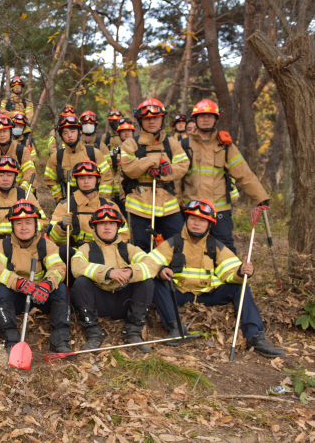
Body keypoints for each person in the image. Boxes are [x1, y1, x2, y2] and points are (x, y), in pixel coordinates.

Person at [147, 199, 285, 358]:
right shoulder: (173, 243)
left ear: (209, 224)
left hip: (208, 294)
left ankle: (255, 338)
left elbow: (231, 270)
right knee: (156, 281)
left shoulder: (216, 245)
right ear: (186, 220)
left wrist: (242, 271)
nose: (196, 223)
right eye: (192, 219)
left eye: (202, 220)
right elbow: (149, 262)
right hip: (179, 293)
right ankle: (175, 328)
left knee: (240, 287)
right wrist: (160, 270)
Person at [181, 99, 269, 252]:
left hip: (219, 210)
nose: (206, 119)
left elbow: (243, 173)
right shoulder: (184, 145)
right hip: (192, 209)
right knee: (189, 249)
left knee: (224, 248)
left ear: (216, 119)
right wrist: (177, 205)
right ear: (195, 119)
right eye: (202, 116)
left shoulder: (225, 146)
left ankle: (230, 276)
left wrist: (260, 197)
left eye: (210, 115)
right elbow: (176, 179)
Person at [71, 204, 155, 352]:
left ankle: (133, 332)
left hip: (124, 302)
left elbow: (151, 264)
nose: (107, 227)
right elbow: (76, 266)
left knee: (147, 282)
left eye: (111, 223)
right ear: (94, 227)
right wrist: (108, 272)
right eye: (102, 223)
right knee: (80, 282)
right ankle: (93, 334)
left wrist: (130, 270)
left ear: (118, 227)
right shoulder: (87, 248)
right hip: (99, 303)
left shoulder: (129, 248)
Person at [0, 201, 71, 354]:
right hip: (17, 297)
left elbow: (58, 268)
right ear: (12, 225)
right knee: (2, 291)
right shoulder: (2, 246)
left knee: (60, 289)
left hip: (41, 295)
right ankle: (11, 340)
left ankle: (60, 340)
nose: (24, 227)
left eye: (28, 222)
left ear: (36, 224)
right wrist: (18, 282)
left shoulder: (47, 245)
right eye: (18, 223)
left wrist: (47, 284)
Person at [120, 98, 190, 251]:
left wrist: (164, 172)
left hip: (169, 206)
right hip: (139, 206)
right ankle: (147, 275)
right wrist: (153, 161)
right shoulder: (130, 144)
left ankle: (171, 274)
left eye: (156, 118)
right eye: (147, 118)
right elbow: (129, 169)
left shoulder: (172, 143)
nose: (151, 121)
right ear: (140, 120)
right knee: (142, 248)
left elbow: (183, 166)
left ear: (162, 119)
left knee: (177, 246)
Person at [49, 161, 129, 269]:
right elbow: (52, 240)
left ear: (98, 180)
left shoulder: (110, 206)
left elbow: (124, 236)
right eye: (81, 178)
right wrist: (62, 227)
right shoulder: (65, 206)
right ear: (76, 181)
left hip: (104, 254)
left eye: (90, 177)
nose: (86, 181)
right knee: (64, 252)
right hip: (75, 255)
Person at [0, 156, 47, 244]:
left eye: (9, 175)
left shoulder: (26, 196)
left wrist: (26, 231)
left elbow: (43, 221)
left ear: (15, 177)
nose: (5, 179)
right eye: (1, 175)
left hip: (22, 245)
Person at [44, 115, 112, 202]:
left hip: (93, 202)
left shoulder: (94, 153)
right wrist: (60, 198)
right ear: (61, 136)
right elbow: (49, 179)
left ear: (79, 132)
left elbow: (106, 177)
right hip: (68, 204)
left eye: (72, 131)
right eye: (65, 133)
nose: (69, 135)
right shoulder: (56, 157)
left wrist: (101, 200)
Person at [0, 115, 36, 195]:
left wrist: (22, 191)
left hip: (19, 195)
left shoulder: (22, 151)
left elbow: (29, 173)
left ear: (10, 131)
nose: (2, 135)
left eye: (5, 131)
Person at [110, 119, 136, 219]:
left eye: (129, 131)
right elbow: (110, 173)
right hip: (117, 193)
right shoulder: (114, 152)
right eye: (123, 131)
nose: (126, 133)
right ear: (119, 133)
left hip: (135, 193)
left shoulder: (139, 149)